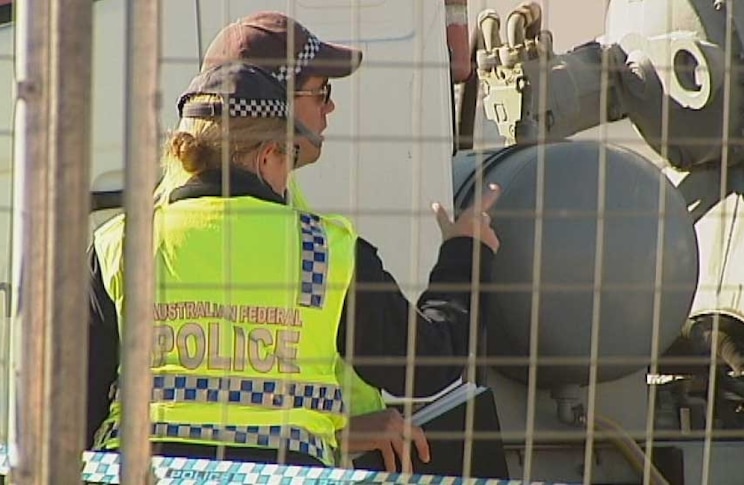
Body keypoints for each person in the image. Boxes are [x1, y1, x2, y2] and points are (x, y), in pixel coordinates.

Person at [85, 58, 500, 471]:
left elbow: (75, 404)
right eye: (290, 159)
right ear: (268, 156)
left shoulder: (120, 244)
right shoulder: (324, 251)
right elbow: (422, 366)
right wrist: (464, 253)